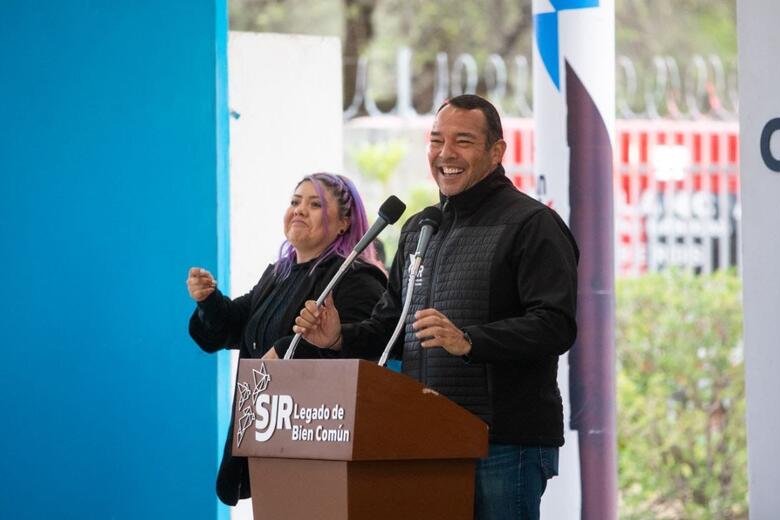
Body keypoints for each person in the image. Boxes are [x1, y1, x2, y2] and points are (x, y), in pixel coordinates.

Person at [293, 95, 579, 519]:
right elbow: (391, 327)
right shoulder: (420, 228)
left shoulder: (531, 225)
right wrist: (338, 337)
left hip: (502, 441)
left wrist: (469, 341)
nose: (446, 154)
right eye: (436, 141)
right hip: (428, 437)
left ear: (496, 152)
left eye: (462, 141)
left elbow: (555, 325)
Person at [186, 173, 386, 506]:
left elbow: (364, 351)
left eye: (314, 204)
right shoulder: (279, 275)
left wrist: (285, 350)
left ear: (344, 223)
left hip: (319, 440)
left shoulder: (355, 280)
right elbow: (231, 328)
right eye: (295, 201)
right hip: (268, 434)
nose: (299, 210)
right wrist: (208, 300)